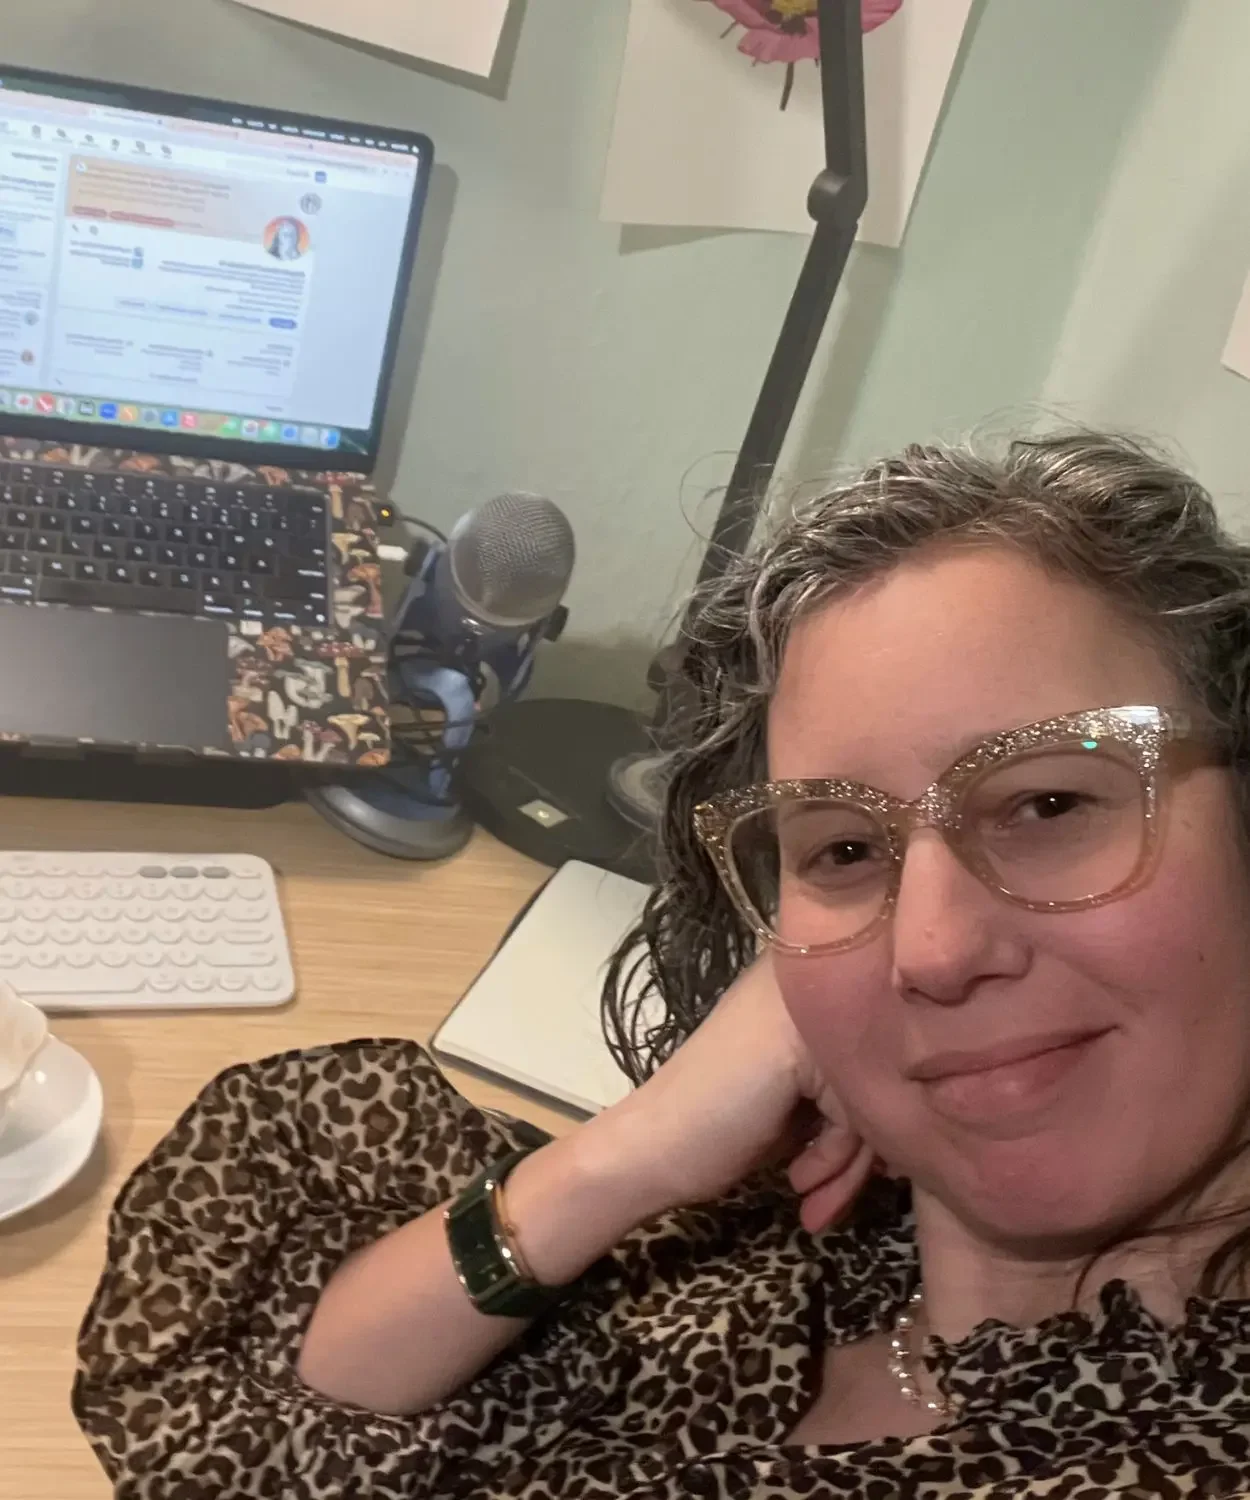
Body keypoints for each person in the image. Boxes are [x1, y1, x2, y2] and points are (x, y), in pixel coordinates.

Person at [74, 431, 1250, 1498]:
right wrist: (629, 1152)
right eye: (843, 847)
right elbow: (263, 1423)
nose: (934, 949)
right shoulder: (817, 1226)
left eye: (1046, 802)